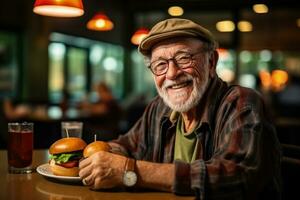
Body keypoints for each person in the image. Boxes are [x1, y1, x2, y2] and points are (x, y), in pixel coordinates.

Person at [79, 18, 281, 200]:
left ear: (211, 62)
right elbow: (128, 145)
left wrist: (128, 171)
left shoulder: (241, 103)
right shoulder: (159, 107)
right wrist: (98, 157)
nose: (172, 74)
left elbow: (236, 176)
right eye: (160, 65)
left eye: (184, 58)